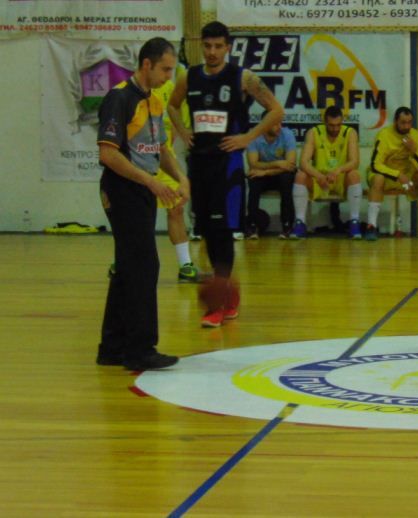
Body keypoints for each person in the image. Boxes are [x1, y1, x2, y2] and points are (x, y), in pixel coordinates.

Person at [167, 21, 284, 328]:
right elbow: (172, 106)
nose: (212, 52)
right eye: (207, 46)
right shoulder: (189, 76)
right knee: (207, 231)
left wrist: (248, 138)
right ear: (201, 46)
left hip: (227, 165)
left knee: (222, 232)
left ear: (228, 48)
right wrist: (183, 131)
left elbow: (276, 110)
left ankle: (217, 304)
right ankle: (229, 294)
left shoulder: (243, 77)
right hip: (199, 164)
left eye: (218, 46)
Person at [96, 37, 185, 370]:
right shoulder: (119, 98)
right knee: (144, 266)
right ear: (146, 64)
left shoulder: (155, 102)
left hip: (143, 191)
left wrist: (181, 177)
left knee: (127, 267)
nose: (168, 76)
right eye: (165, 69)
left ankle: (112, 347)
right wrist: (149, 181)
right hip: (123, 190)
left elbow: (160, 149)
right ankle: (140, 349)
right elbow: (108, 154)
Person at [105, 78, 200, 282]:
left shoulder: (169, 91)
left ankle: (185, 264)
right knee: (134, 218)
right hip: (139, 163)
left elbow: (174, 124)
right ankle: (122, 259)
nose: (167, 74)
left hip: (163, 159)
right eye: (164, 69)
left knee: (176, 209)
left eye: (169, 69)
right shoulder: (127, 95)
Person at [366, 107, 418, 241]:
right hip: (387, 178)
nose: (407, 126)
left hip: (407, 181)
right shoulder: (384, 135)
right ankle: (371, 227)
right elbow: (375, 165)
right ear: (395, 121)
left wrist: (414, 152)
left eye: (409, 122)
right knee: (378, 178)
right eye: (403, 122)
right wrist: (398, 175)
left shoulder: (416, 136)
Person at [298, 105, 364, 239]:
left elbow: (355, 162)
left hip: (340, 179)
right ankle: (300, 222)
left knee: (354, 174)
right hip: (319, 180)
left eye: (338, 125)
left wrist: (338, 170)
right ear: (325, 122)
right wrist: (319, 176)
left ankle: (354, 222)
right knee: (300, 175)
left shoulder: (350, 133)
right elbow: (303, 162)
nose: (335, 129)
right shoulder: (314, 132)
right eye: (331, 125)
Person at [245, 111, 297, 239]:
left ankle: (287, 225)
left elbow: (290, 165)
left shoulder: (287, 134)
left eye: (280, 123)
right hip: (264, 176)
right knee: (253, 179)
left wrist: (265, 171)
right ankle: (252, 225)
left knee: (287, 178)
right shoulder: (253, 136)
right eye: (275, 124)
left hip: (280, 174)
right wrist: (277, 163)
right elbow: (253, 164)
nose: (279, 127)